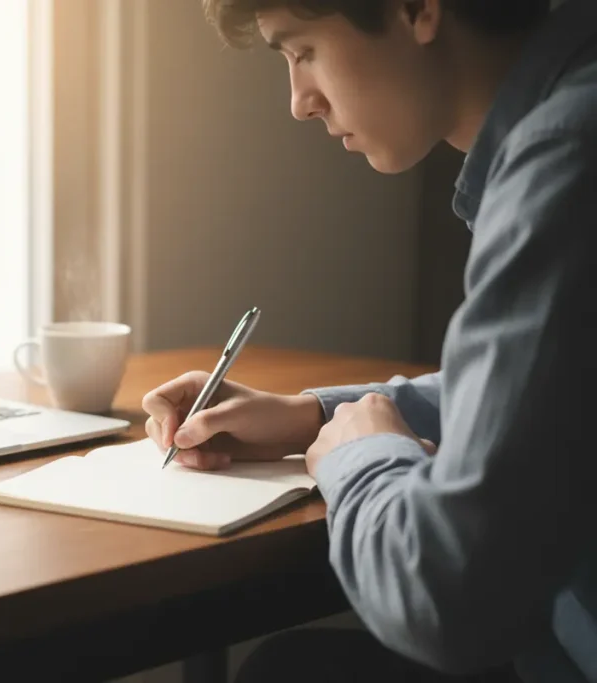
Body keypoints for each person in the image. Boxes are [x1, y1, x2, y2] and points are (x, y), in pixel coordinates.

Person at [141, 0, 597, 681]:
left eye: (301, 51)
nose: (299, 102)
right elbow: (556, 393)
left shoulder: (564, 162)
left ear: (415, 8)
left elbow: (447, 594)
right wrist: (317, 415)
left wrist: (365, 459)